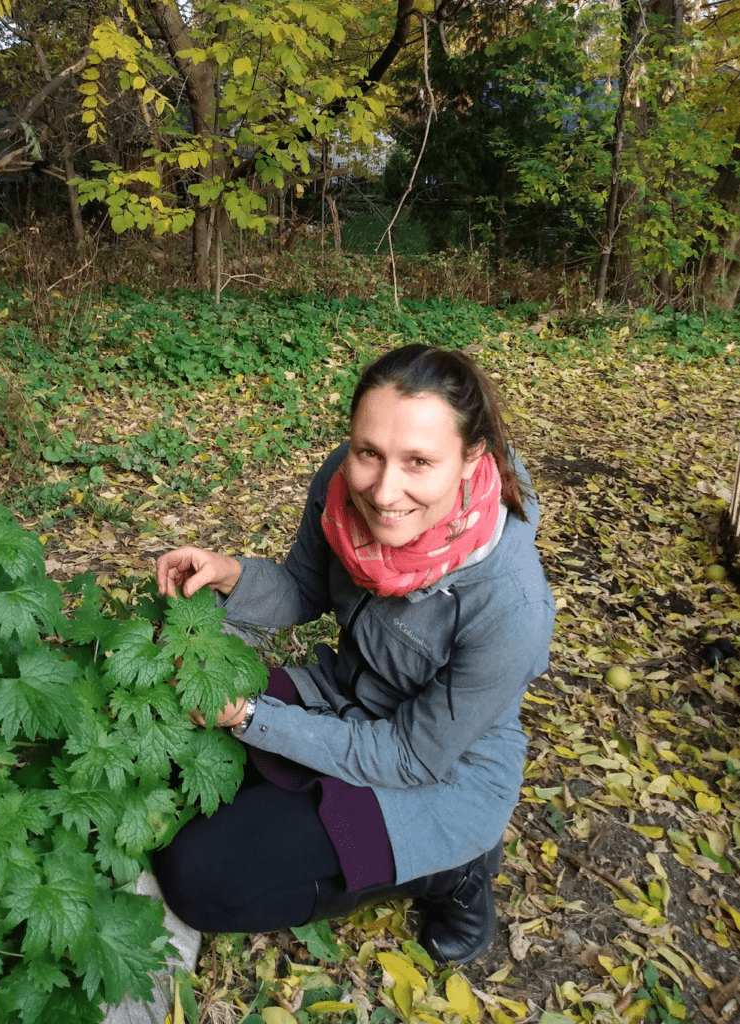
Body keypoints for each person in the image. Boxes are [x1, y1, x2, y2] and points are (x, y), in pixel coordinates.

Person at [153, 344, 555, 963]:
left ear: (472, 456)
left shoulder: (510, 606)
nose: (383, 490)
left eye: (419, 462)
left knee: (198, 878)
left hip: (437, 769)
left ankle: (454, 871)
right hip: (346, 695)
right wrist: (231, 574)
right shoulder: (343, 485)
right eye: (369, 452)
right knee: (174, 751)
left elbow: (410, 755)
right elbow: (305, 588)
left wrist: (252, 719)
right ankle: (308, 800)